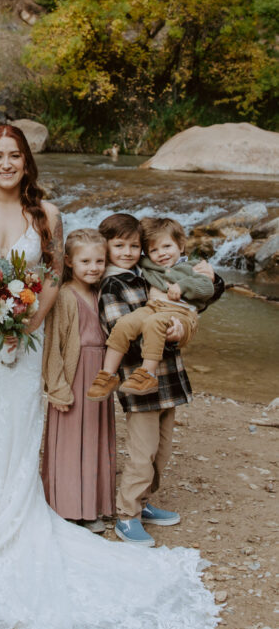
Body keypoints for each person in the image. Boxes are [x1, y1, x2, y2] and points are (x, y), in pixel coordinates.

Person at [0, 135, 220, 629]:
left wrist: (25, 325)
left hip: (26, 329)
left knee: (20, 419)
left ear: (26, 162)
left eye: (13, 156)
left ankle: (17, 505)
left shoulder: (47, 212)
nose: (5, 164)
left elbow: (50, 277)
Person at [92, 213, 224, 548]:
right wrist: (172, 333)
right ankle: (127, 514)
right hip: (141, 383)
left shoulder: (147, 274)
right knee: (142, 452)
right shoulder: (113, 285)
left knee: (162, 451)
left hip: (170, 380)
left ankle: (145, 501)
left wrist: (213, 279)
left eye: (134, 246)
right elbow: (119, 333)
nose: (127, 251)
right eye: (119, 245)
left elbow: (195, 298)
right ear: (105, 248)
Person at [87, 216, 215, 399]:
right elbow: (131, 256)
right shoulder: (148, 266)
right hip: (154, 307)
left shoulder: (192, 267)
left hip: (181, 314)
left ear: (181, 246)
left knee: (154, 323)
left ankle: (147, 373)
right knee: (124, 324)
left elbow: (207, 288)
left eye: (167, 247)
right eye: (154, 250)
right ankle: (108, 374)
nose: (161, 254)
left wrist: (185, 286)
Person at [41, 228, 115, 533]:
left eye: (100, 260)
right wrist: (56, 387)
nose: (94, 267)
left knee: (96, 437)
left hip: (100, 371)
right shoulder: (63, 296)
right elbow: (53, 345)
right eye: (86, 261)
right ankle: (68, 506)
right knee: (71, 441)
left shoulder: (104, 292)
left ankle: (92, 505)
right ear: (69, 261)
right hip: (74, 375)